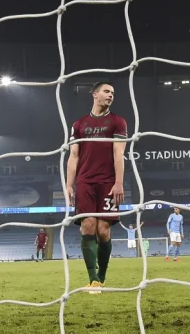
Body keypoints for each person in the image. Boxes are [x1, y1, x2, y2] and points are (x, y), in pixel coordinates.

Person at [66, 81, 127, 294]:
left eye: (113, 92)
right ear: (95, 94)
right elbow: (73, 156)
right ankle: (93, 279)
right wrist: (69, 185)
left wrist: (119, 182)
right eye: (106, 91)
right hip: (85, 181)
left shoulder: (118, 122)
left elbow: (118, 154)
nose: (111, 95)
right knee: (88, 226)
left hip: (108, 182)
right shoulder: (79, 124)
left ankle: (101, 277)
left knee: (103, 231)